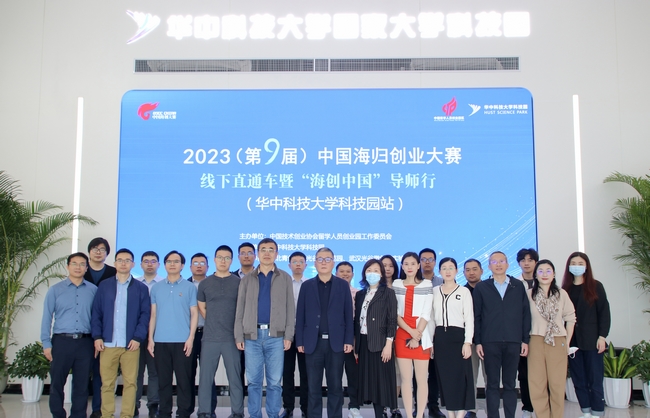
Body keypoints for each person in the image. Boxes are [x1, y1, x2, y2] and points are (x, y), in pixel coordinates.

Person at [235, 238, 295, 418]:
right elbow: (240, 309)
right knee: (253, 382)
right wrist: (239, 335)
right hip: (251, 336)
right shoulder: (247, 279)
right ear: (257, 254)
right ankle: (254, 415)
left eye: (271, 249)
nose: (267, 253)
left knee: (275, 382)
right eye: (263, 249)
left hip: (276, 336)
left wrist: (289, 335)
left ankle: (272, 414)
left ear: (276, 254)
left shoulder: (285, 277)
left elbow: (290, 309)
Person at [91, 248, 151, 418]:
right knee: (107, 383)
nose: (123, 263)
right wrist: (97, 336)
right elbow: (96, 313)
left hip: (130, 344)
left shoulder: (140, 288)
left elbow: (145, 315)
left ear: (133, 264)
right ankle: (107, 414)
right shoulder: (104, 286)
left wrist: (138, 337)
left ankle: (126, 415)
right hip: (107, 343)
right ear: (115, 263)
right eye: (120, 260)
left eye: (127, 260)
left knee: (131, 383)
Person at [296, 247, 354, 418]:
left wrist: (348, 340)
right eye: (320, 259)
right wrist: (300, 341)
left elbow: (348, 314)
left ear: (333, 263)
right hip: (312, 343)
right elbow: (300, 315)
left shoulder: (342, 285)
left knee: (335, 386)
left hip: (336, 343)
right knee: (313, 387)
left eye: (327, 259)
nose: (323, 262)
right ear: (315, 263)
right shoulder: (307, 286)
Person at [473, 251, 531, 418]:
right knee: (492, 384)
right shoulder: (482, 287)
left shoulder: (517, 286)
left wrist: (525, 340)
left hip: (513, 341)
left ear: (507, 264)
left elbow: (525, 314)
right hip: (490, 342)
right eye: (494, 262)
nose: (498, 264)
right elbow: (477, 316)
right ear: (489, 266)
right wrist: (478, 342)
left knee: (510, 384)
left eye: (501, 261)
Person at [41, 252, 97, 418]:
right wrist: (46, 343)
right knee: (57, 383)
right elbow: (47, 317)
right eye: (74, 263)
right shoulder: (55, 290)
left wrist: (97, 340)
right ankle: (58, 414)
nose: (78, 267)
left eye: (82, 264)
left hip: (85, 342)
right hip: (61, 342)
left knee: (82, 385)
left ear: (86, 268)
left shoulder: (93, 290)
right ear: (68, 266)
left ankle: (78, 415)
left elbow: (97, 318)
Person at [148, 251, 198, 418]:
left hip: (182, 341)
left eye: (176, 261)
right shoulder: (156, 288)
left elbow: (194, 314)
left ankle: (183, 412)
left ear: (182, 265)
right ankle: (164, 412)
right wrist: (150, 339)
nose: (172, 264)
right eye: (169, 261)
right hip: (160, 341)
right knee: (163, 381)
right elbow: (153, 315)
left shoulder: (189, 287)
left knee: (184, 381)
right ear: (164, 265)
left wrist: (191, 338)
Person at [197, 245, 244, 418]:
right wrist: (214, 319)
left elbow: (242, 308)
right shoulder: (205, 283)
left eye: (227, 258)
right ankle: (204, 411)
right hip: (210, 337)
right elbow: (202, 306)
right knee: (205, 378)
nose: (223, 261)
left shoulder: (239, 283)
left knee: (235, 378)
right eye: (220, 257)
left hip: (232, 338)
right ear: (215, 259)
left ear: (231, 260)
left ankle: (237, 412)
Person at [562, 252, 611, 418]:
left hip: (592, 340)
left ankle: (597, 411)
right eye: (573, 263)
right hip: (572, 341)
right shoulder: (565, 289)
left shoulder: (596, 286)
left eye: (580, 263)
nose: (576, 266)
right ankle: (586, 411)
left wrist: (602, 336)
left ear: (586, 266)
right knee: (578, 379)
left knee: (595, 379)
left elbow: (604, 313)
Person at [527, 259, 576, 418]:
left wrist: (567, 342)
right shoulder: (529, 294)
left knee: (557, 383)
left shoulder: (561, 294)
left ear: (554, 274)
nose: (544, 274)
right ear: (535, 275)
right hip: (535, 340)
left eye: (548, 271)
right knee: (537, 383)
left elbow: (570, 318)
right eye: (540, 271)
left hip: (557, 340)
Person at [431, 258, 474, 418]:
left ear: (456, 271)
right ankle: (450, 413)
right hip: (440, 338)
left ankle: (461, 413)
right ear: (439, 271)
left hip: (459, 338)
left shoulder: (464, 291)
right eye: (444, 268)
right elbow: (431, 319)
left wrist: (467, 342)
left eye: (451, 268)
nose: (447, 271)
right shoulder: (434, 291)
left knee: (461, 378)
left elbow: (469, 318)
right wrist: (431, 342)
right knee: (445, 377)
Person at [354, 259, 398, 418]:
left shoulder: (388, 293)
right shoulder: (360, 294)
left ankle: (380, 414)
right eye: (369, 270)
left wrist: (388, 344)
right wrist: (356, 345)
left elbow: (392, 320)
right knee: (369, 383)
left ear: (381, 274)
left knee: (380, 384)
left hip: (380, 344)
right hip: (364, 343)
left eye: (376, 270)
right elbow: (357, 320)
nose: (372, 273)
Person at [394, 252, 433, 418]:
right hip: (402, 334)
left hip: (422, 334)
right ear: (402, 266)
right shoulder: (396, 284)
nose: (409, 267)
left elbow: (426, 312)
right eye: (406, 264)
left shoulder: (427, 284)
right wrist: (411, 333)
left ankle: (420, 414)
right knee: (405, 379)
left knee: (422, 379)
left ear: (418, 266)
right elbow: (395, 313)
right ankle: (409, 415)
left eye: (413, 264)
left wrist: (417, 336)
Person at [84, 237, 117, 418]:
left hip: (105, 330)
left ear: (107, 253)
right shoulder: (82, 270)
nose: (98, 252)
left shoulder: (113, 272)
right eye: (95, 248)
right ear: (89, 251)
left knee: (101, 373)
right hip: (83, 329)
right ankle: (79, 410)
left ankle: (98, 409)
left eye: (102, 249)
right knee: (81, 373)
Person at [188, 253, 218, 417]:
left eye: (202, 263)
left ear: (208, 266)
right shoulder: (184, 285)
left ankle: (209, 409)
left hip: (209, 334)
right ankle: (187, 408)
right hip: (189, 336)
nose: (199, 266)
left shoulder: (213, 284)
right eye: (195, 263)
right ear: (190, 267)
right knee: (188, 373)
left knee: (208, 373)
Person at [136, 251, 164, 417]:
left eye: (153, 261)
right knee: (136, 372)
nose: (149, 264)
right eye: (146, 261)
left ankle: (153, 404)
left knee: (154, 372)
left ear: (158, 265)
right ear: (141, 264)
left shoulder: (163, 284)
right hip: (136, 335)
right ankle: (134, 404)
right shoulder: (134, 283)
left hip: (157, 333)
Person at [281, 251, 309, 418]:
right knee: (287, 372)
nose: (298, 264)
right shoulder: (284, 283)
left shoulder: (310, 284)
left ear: (306, 265)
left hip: (305, 334)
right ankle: (288, 407)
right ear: (289, 265)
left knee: (306, 373)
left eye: (301, 261)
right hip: (287, 333)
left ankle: (306, 407)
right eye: (295, 261)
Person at [418, 248, 444, 418]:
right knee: (418, 374)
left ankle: (433, 406)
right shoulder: (413, 281)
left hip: (437, 334)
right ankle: (418, 406)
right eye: (424, 259)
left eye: (430, 259)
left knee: (434, 373)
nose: (427, 262)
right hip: (417, 333)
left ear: (435, 262)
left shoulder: (442, 282)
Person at [336, 261, 361, 418]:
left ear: (352, 274)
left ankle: (354, 406)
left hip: (352, 340)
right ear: (336, 273)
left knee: (353, 375)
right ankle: (336, 407)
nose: (345, 274)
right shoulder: (331, 293)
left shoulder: (358, 294)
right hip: (334, 340)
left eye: (348, 271)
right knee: (335, 376)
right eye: (342, 271)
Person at [516, 248, 539, 418]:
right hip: (520, 336)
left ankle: (542, 406)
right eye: (523, 260)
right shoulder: (515, 284)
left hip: (540, 335)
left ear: (536, 262)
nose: (526, 263)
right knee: (523, 374)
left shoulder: (544, 282)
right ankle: (527, 407)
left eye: (530, 260)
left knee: (541, 373)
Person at [462, 259, 486, 418]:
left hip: (488, 340)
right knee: (469, 377)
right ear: (464, 272)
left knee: (490, 377)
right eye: (468, 270)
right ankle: (471, 409)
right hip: (469, 341)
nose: (471, 272)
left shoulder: (489, 289)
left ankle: (492, 409)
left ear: (481, 271)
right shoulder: (461, 292)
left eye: (475, 269)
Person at [381, 254, 402, 418]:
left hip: (400, 333)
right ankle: (381, 406)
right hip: (380, 334)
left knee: (397, 372)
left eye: (390, 266)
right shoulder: (374, 287)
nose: (387, 269)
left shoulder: (400, 286)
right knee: (381, 372)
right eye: (384, 265)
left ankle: (394, 406)